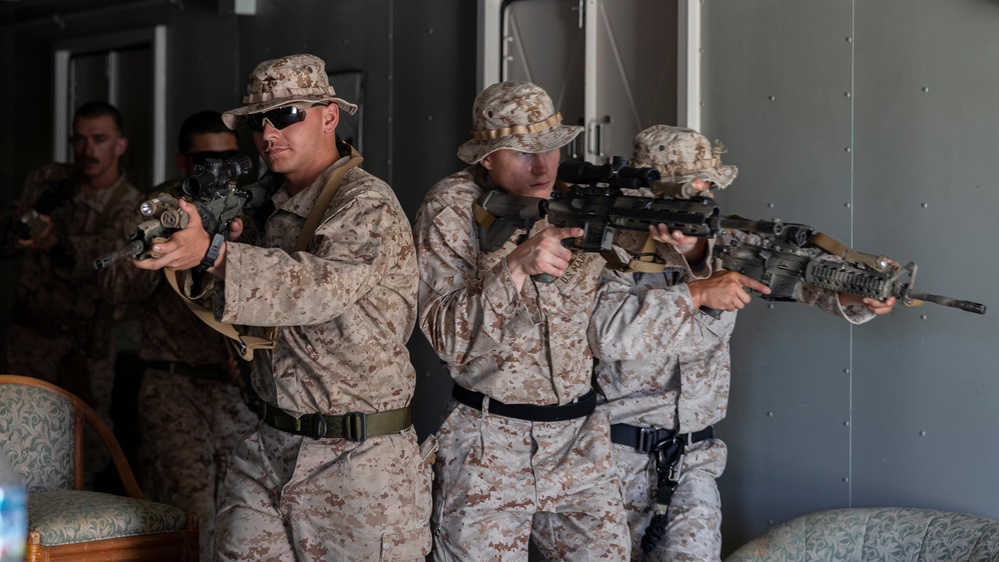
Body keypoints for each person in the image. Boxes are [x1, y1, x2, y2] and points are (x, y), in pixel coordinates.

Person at [132, 54, 432, 561]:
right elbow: (244, 312)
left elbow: (320, 289)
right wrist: (197, 253)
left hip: (359, 463)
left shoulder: (366, 203)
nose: (269, 132)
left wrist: (216, 253)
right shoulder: (267, 206)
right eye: (257, 121)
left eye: (287, 114)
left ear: (329, 115)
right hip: (271, 446)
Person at [587, 124, 896, 561]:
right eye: (691, 187)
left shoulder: (728, 248)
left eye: (708, 186)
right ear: (651, 191)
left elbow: (801, 274)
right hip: (607, 461)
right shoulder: (605, 250)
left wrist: (857, 292)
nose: (705, 196)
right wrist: (695, 293)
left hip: (690, 463)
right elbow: (607, 334)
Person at [414, 80, 630, 561]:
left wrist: (683, 246)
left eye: (552, 148)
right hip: (489, 444)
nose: (543, 166)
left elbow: (637, 279)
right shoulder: (450, 206)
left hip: (580, 439)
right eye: (522, 152)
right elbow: (449, 338)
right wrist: (515, 266)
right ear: (485, 158)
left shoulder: (576, 200)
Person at [98, 110, 259, 560]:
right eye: (205, 160)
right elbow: (113, 286)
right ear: (183, 162)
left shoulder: (253, 206)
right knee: (187, 525)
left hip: (236, 390)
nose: (216, 170)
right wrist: (166, 249)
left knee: (242, 525)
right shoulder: (158, 207)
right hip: (174, 387)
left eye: (228, 158)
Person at [2, 100, 145, 483]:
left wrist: (56, 244)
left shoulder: (131, 205)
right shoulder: (47, 180)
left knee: (85, 445)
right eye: (80, 139)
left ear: (120, 145)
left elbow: (105, 260)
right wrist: (19, 232)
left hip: (83, 347)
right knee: (15, 439)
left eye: (100, 139)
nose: (88, 150)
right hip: (29, 338)